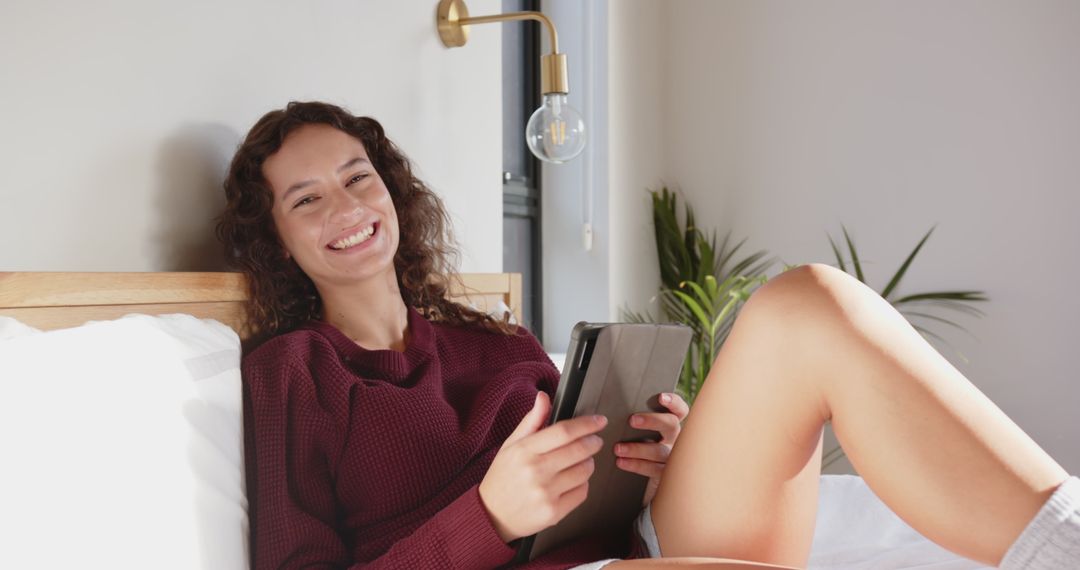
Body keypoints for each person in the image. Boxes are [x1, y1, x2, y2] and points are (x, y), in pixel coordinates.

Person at [217, 101, 1079, 570]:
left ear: (391, 190)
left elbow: (592, 477)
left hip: (638, 540)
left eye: (357, 177)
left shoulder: (496, 340)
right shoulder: (292, 373)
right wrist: (487, 517)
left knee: (808, 304)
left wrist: (656, 463)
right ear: (279, 241)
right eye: (307, 199)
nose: (346, 208)